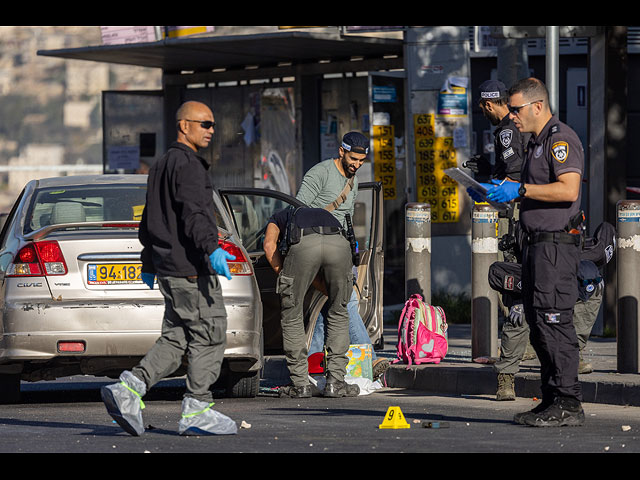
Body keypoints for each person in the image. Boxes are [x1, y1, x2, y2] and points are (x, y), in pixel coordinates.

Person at [100, 101, 238, 436]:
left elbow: (149, 221)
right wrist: (212, 249)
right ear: (184, 125)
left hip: (171, 270)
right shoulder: (188, 166)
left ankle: (129, 389)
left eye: (213, 125)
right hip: (192, 270)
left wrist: (149, 263)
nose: (210, 130)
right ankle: (197, 408)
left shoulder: (161, 166)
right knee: (211, 334)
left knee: (176, 338)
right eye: (204, 124)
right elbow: (195, 214)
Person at [484, 77, 586, 427]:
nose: (511, 115)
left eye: (516, 109)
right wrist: (496, 189)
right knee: (540, 322)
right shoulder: (533, 144)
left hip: (555, 246)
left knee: (556, 321)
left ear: (537, 106)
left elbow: (568, 189)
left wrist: (521, 187)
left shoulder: (560, 139)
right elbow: (527, 191)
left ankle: (569, 403)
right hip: (535, 246)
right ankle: (551, 398)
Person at [295, 131, 389, 380]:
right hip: (318, 248)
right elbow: (298, 210)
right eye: (353, 159)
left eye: (361, 161)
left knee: (328, 308)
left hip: (342, 250)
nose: (357, 165)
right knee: (347, 302)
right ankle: (369, 356)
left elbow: (347, 218)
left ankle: (313, 364)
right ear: (341, 151)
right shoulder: (320, 173)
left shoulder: (354, 180)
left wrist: (353, 248)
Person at [263, 205, 358, 398]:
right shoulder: (325, 215)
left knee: (292, 315)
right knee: (338, 312)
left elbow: (269, 246)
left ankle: (300, 384)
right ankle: (336, 382)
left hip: (303, 243)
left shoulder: (277, 217)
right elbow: (327, 285)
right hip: (339, 243)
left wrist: (286, 278)